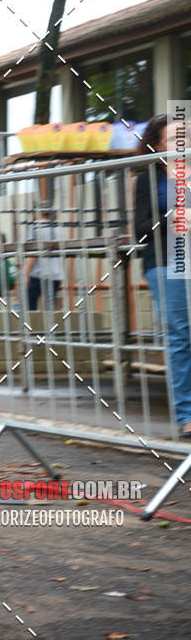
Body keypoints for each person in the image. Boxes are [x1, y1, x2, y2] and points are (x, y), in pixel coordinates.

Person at [134, 114, 191, 437]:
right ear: (157, 146)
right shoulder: (150, 179)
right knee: (180, 336)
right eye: (175, 139)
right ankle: (188, 415)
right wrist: (177, 218)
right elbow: (142, 229)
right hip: (167, 261)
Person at [24, 202, 64, 311]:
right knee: (50, 311)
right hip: (55, 275)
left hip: (37, 274)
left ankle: (32, 328)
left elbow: (34, 249)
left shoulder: (36, 225)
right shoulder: (58, 227)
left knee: (30, 310)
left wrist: (26, 272)